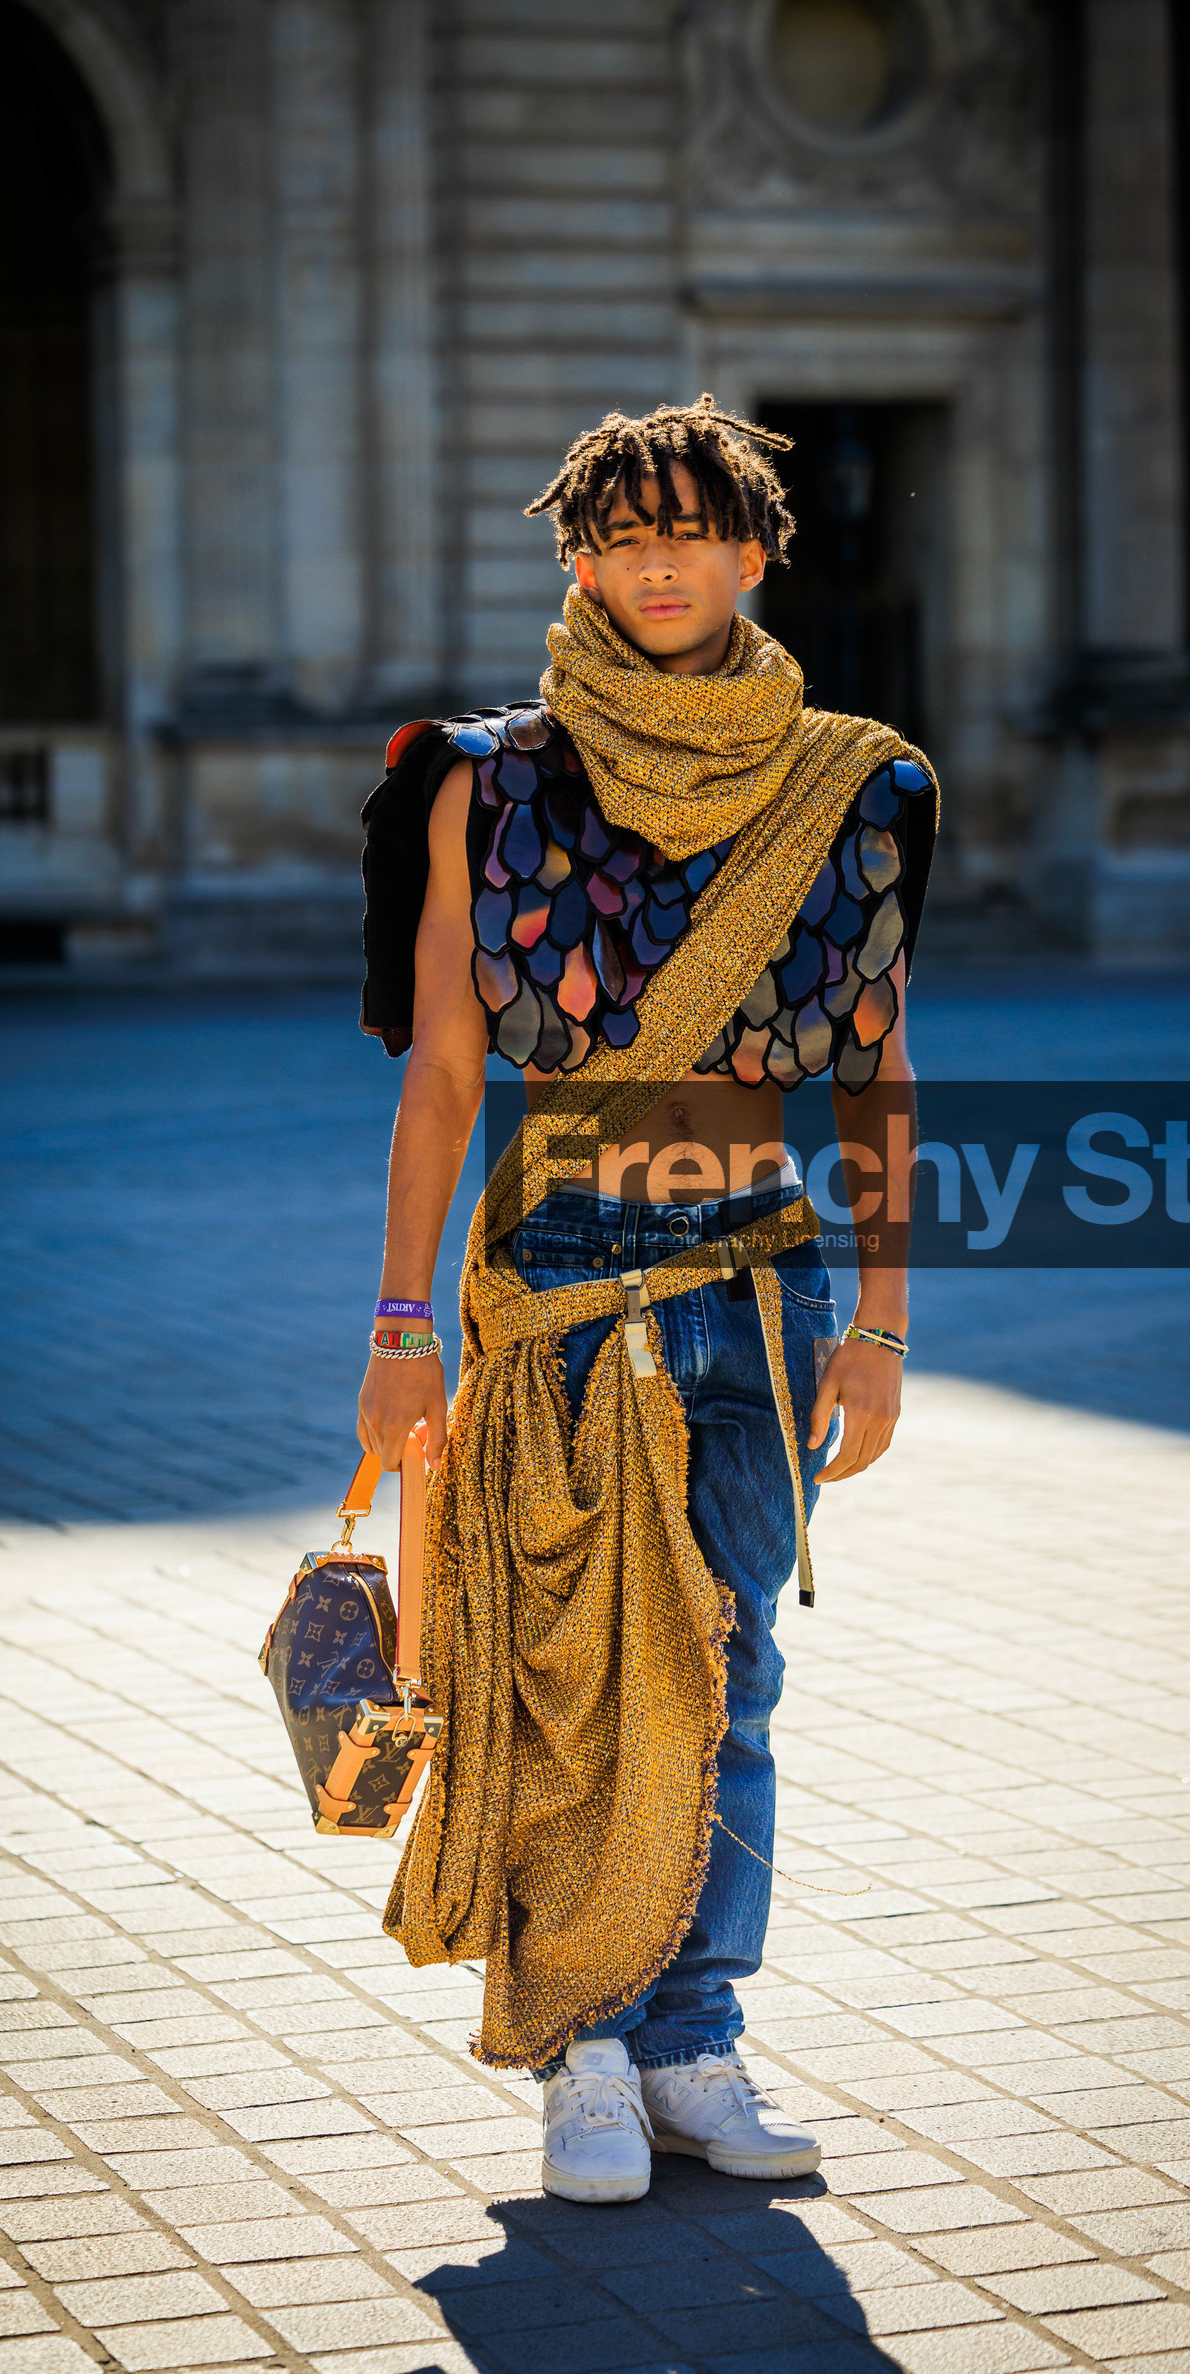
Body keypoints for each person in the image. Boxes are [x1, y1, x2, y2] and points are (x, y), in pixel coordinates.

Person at [355, 397, 936, 2205]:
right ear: (576, 560)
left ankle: (695, 2042)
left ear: (756, 551)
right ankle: (579, 2052)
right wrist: (395, 1331)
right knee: (555, 1682)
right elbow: (448, 1070)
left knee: (734, 1673)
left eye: (691, 529)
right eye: (619, 533)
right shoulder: (489, 776)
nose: (656, 560)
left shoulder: (856, 780)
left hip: (764, 1275)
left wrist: (888, 1321)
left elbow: (880, 1068)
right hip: (554, 1287)